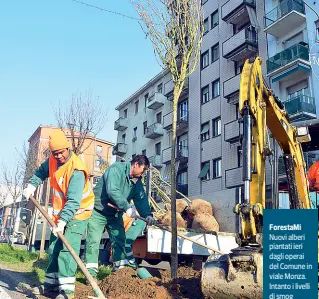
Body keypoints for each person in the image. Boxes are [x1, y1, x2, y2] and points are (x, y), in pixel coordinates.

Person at [22, 129, 94, 299]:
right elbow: (40, 172)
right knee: (54, 248)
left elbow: (74, 202)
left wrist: (62, 222)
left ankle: (67, 291)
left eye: (61, 152)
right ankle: (51, 287)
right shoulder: (52, 161)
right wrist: (32, 184)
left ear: (68, 148)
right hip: (61, 214)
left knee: (67, 250)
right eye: (55, 153)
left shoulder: (76, 169)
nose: (59, 156)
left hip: (78, 213)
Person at [84, 154, 155, 277]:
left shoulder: (136, 181)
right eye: (143, 169)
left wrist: (147, 215)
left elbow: (141, 199)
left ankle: (120, 273)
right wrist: (127, 207)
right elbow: (113, 191)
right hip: (98, 211)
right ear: (136, 164)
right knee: (93, 242)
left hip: (115, 214)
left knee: (119, 240)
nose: (143, 173)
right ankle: (91, 275)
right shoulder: (116, 169)